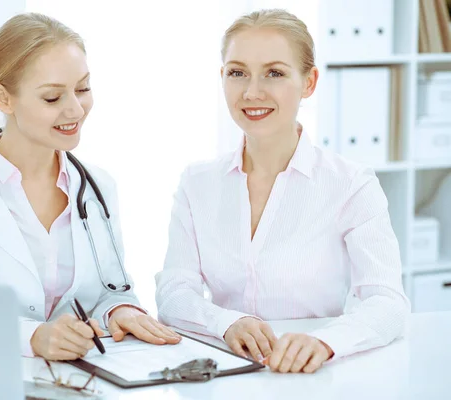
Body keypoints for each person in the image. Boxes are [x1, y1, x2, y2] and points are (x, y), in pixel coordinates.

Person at [0, 12, 180, 361]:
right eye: (52, 98)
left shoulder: (98, 187)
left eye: (83, 89)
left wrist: (119, 312)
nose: (75, 109)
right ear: (3, 99)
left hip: (80, 383)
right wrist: (32, 337)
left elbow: (109, 291)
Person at [155, 9, 409, 374]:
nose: (252, 92)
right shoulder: (197, 183)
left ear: (309, 83)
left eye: (274, 73)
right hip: (227, 375)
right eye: (237, 73)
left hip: (312, 377)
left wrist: (326, 341)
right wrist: (225, 321)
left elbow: (388, 302)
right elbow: (174, 293)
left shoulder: (351, 184)